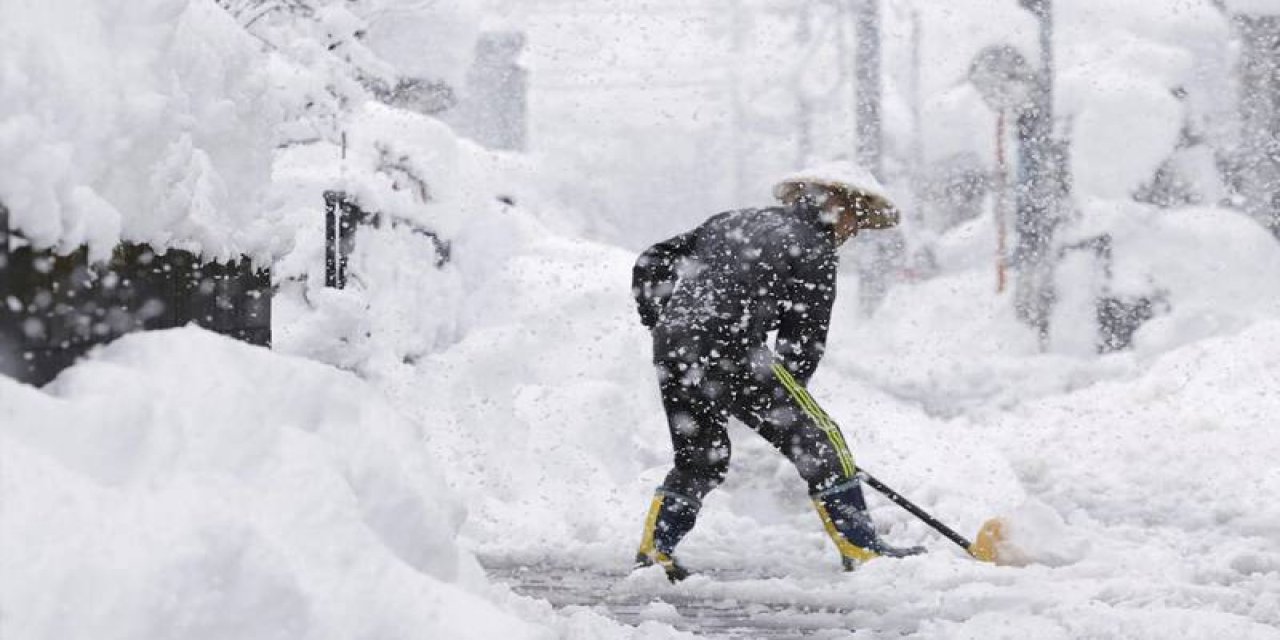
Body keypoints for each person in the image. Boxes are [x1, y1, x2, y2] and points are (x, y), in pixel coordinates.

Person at [630, 161, 925, 581]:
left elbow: (652, 259)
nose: (852, 233)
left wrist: (661, 320)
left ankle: (655, 551)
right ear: (838, 206)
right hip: (733, 349)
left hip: (675, 347)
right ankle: (861, 547)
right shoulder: (815, 247)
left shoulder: (730, 221)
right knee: (824, 441)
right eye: (855, 222)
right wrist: (782, 409)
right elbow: (803, 341)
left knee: (700, 458)